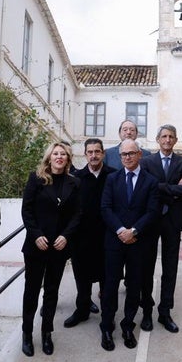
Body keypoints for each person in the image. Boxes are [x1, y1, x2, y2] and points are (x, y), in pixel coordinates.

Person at [20, 142, 81, 356]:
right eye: (55, 153)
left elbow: (77, 215)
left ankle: (47, 333)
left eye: (63, 154)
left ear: (67, 158)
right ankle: (27, 333)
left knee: (52, 292)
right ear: (49, 157)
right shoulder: (35, 179)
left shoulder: (74, 183)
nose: (59, 157)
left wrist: (66, 236)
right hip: (37, 245)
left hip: (59, 246)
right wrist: (36, 235)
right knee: (32, 291)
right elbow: (26, 210)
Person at [99, 139, 159, 351]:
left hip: (138, 242)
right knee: (110, 286)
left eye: (131, 153)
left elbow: (152, 212)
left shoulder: (151, 182)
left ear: (140, 154)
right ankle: (106, 327)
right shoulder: (112, 179)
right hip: (114, 242)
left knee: (134, 286)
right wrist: (120, 231)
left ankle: (127, 326)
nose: (127, 157)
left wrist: (133, 231)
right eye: (124, 154)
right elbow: (105, 208)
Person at [139, 124, 182, 333]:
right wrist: (172, 189)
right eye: (164, 136)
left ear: (175, 140)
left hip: (173, 220)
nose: (168, 140)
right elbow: (146, 186)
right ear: (157, 139)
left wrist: (159, 186)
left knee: (170, 268)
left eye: (171, 136)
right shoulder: (147, 161)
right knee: (147, 267)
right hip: (151, 219)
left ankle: (165, 312)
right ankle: (146, 312)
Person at [65, 138, 115, 328]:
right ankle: (82, 310)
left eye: (97, 151)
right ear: (85, 154)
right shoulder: (76, 178)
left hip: (107, 237)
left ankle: (107, 316)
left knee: (107, 279)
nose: (94, 155)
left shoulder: (113, 176)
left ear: (103, 153)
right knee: (82, 278)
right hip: (82, 238)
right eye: (90, 152)